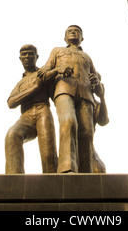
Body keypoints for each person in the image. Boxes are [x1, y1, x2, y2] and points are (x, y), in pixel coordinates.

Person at [38, 25, 103, 173]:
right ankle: (67, 169)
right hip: (64, 90)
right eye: (70, 31)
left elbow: (97, 76)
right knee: (69, 122)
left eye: (77, 31)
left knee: (87, 132)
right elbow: (43, 73)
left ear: (82, 38)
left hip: (86, 95)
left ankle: (86, 173)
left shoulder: (87, 56)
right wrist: (58, 70)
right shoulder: (58, 51)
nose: (73, 32)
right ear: (65, 38)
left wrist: (96, 80)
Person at [4, 44, 58, 174]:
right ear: (20, 58)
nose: (27, 56)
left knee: (48, 153)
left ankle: (52, 184)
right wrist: (34, 89)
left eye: (30, 53)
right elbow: (11, 103)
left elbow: (57, 94)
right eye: (24, 54)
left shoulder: (43, 74)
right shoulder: (20, 83)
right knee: (13, 134)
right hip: (26, 116)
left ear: (37, 56)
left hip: (42, 110)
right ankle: (14, 180)